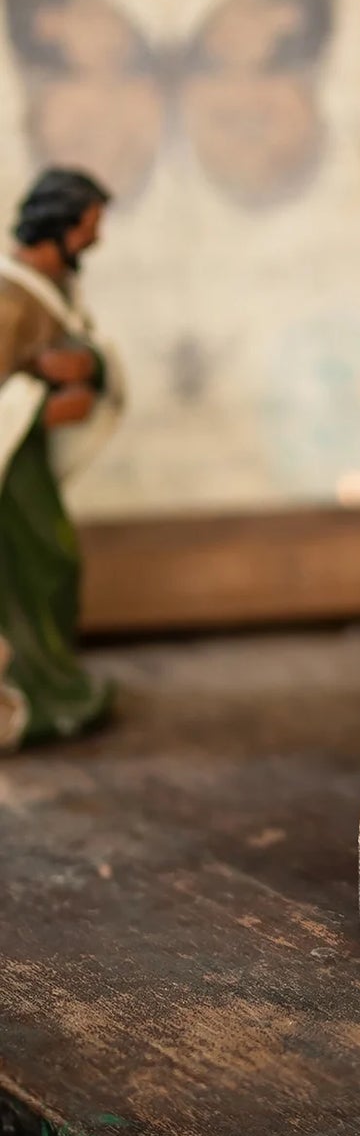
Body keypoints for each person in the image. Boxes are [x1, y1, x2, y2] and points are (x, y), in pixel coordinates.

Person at [0, 167, 115, 745]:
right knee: (33, 568)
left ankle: (53, 678)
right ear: (59, 227)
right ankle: (30, 690)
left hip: (29, 462)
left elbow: (81, 349)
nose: (97, 239)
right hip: (10, 471)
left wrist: (87, 370)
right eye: (91, 226)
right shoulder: (9, 297)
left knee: (54, 567)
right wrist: (43, 404)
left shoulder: (56, 287)